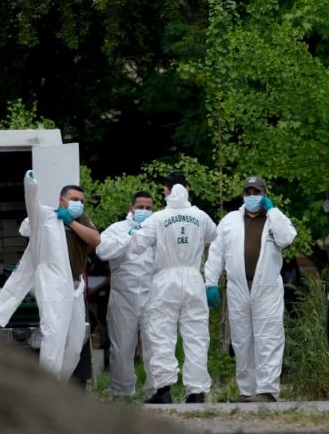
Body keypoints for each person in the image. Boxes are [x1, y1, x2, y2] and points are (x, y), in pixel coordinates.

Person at [0, 172, 101, 382]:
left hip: (76, 286)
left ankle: (59, 383)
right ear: (62, 200)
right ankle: (49, 388)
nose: (78, 204)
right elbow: (31, 203)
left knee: (76, 344)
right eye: (74, 200)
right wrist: (30, 185)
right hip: (53, 285)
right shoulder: (45, 217)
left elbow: (95, 239)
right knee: (54, 336)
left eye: (81, 201)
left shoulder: (82, 220)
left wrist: (72, 222)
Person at [204, 176, 297, 403]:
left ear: (264, 194)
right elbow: (216, 252)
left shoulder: (274, 219)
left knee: (268, 337)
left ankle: (267, 390)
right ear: (243, 195)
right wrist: (210, 283)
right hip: (237, 288)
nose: (252, 196)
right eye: (248, 192)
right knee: (241, 339)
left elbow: (287, 238)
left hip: (266, 287)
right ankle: (247, 391)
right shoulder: (229, 221)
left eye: (257, 192)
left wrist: (273, 211)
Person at [130, 172, 217, 404]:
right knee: (197, 336)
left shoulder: (158, 218)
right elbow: (213, 235)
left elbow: (137, 245)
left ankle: (163, 390)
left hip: (165, 278)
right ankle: (196, 392)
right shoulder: (200, 215)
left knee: (162, 334)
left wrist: (135, 231)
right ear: (187, 188)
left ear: (166, 189)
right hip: (192, 277)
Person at [94, 190, 156, 397]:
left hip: (152, 295)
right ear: (131, 208)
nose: (144, 211)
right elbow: (102, 252)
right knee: (121, 347)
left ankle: (156, 390)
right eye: (140, 207)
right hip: (123, 296)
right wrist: (128, 237)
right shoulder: (117, 229)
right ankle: (121, 390)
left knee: (154, 345)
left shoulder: (158, 229)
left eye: (148, 208)